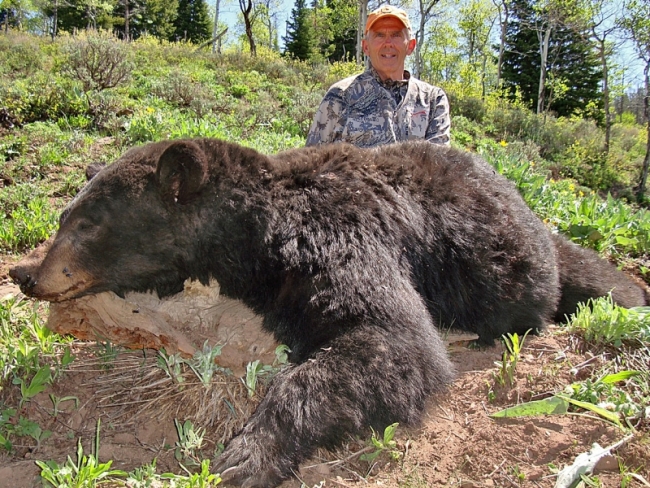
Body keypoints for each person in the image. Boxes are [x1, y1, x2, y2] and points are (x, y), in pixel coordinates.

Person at [306, 5, 451, 148]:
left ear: (411, 45)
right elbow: (311, 162)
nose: (388, 43)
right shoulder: (340, 96)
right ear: (366, 47)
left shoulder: (432, 99)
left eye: (396, 35)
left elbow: (439, 165)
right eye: (379, 35)